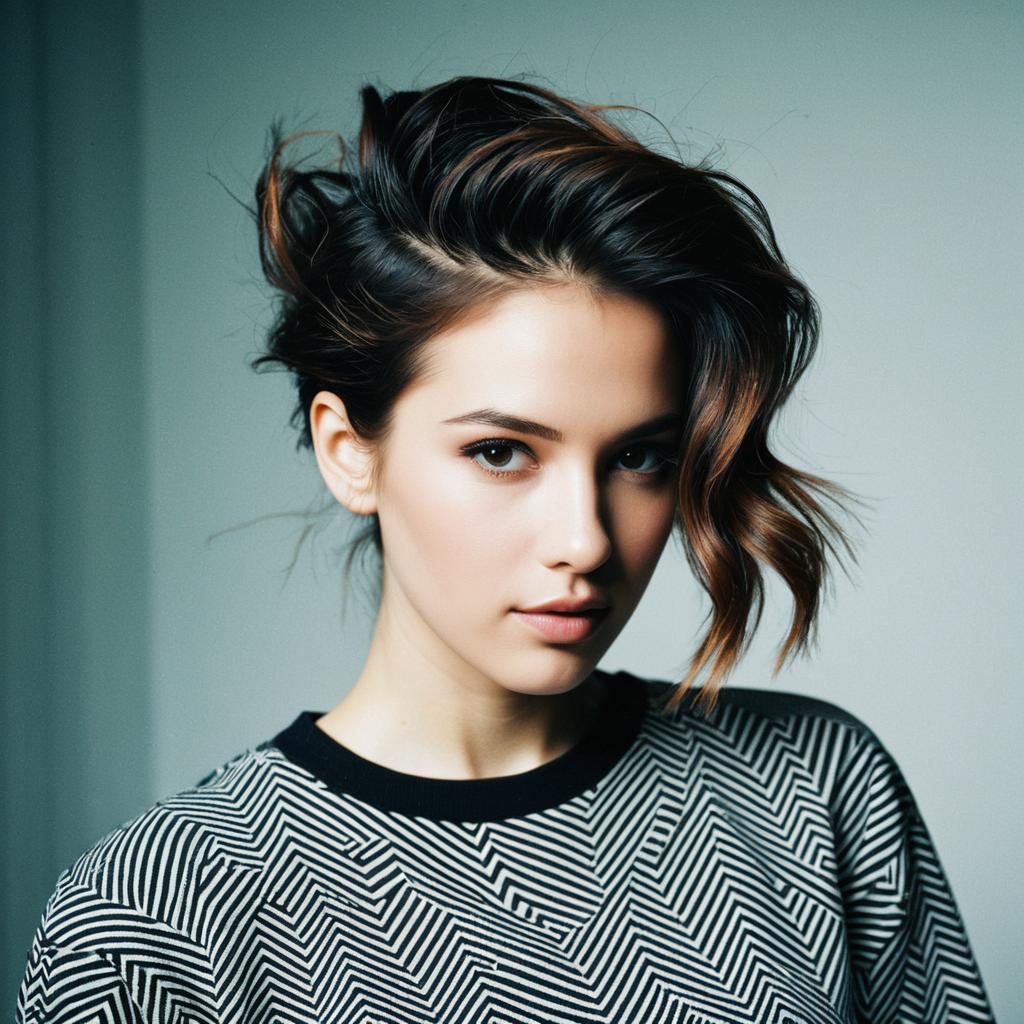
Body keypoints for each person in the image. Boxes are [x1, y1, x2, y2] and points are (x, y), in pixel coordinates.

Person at [16, 74, 995, 1024]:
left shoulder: (810, 790)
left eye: (641, 457)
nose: (584, 538)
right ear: (348, 450)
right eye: (500, 452)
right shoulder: (157, 917)